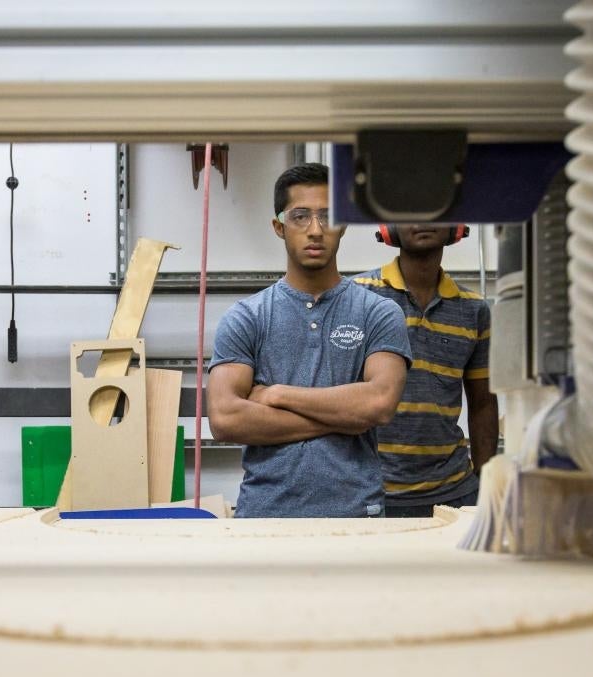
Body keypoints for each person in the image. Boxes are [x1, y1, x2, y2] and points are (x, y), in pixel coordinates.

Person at [208, 163, 412, 518]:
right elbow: (225, 418)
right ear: (279, 226)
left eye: (328, 216)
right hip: (265, 516)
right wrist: (345, 417)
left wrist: (276, 394)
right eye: (300, 216)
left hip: (357, 517)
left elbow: (378, 404)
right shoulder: (247, 317)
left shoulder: (379, 313)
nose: (315, 230)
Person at [353, 224, 498, 517]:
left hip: (455, 493)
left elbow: (483, 403)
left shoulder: (474, 310)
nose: (422, 220)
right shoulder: (358, 296)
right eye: (410, 210)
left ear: (456, 228)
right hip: (369, 493)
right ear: (390, 227)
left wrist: (485, 485)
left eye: (435, 210)